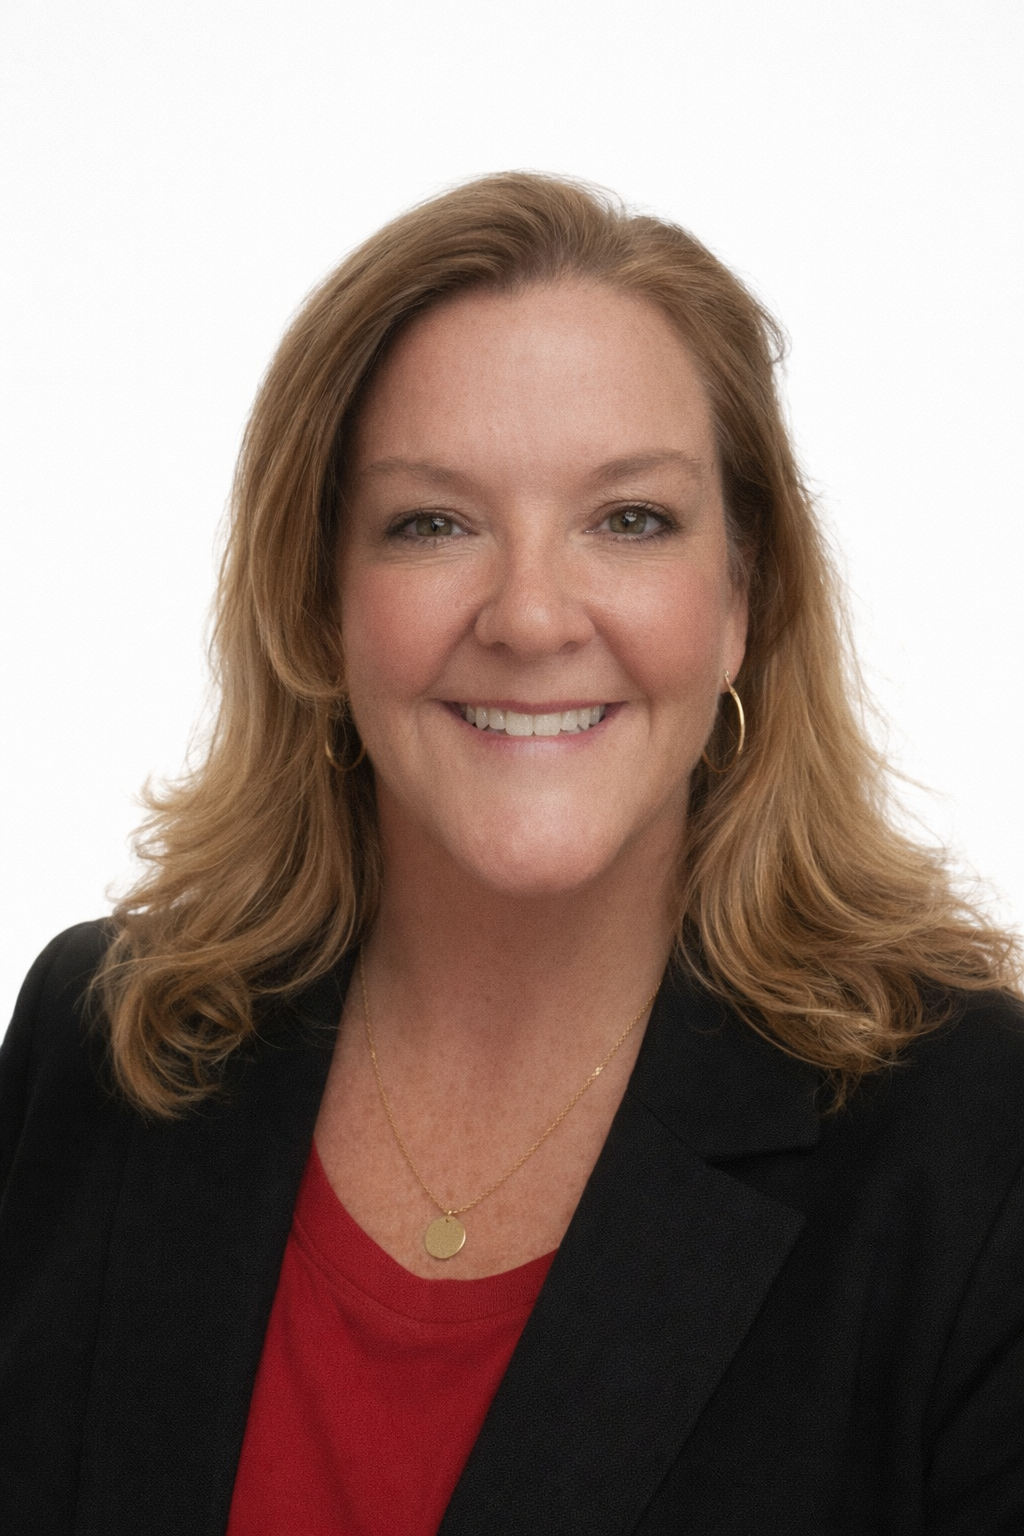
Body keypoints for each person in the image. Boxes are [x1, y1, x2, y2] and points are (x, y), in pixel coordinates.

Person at [1, 173, 1022, 1536]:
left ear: (744, 601)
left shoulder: (974, 1149)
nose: (533, 615)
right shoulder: (102, 1048)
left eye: (631, 519)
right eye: (433, 522)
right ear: (319, 603)